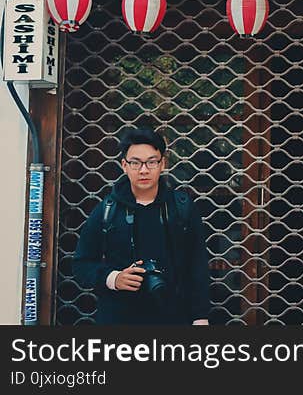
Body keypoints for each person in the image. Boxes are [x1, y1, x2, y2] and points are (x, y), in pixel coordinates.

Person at [73, 126, 211, 324]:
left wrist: (200, 318)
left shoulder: (181, 207)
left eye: (151, 162)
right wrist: (114, 278)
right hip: (119, 319)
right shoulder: (107, 210)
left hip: (173, 319)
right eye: (135, 163)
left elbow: (197, 266)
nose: (144, 170)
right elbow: (81, 263)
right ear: (124, 165)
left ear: (163, 164)